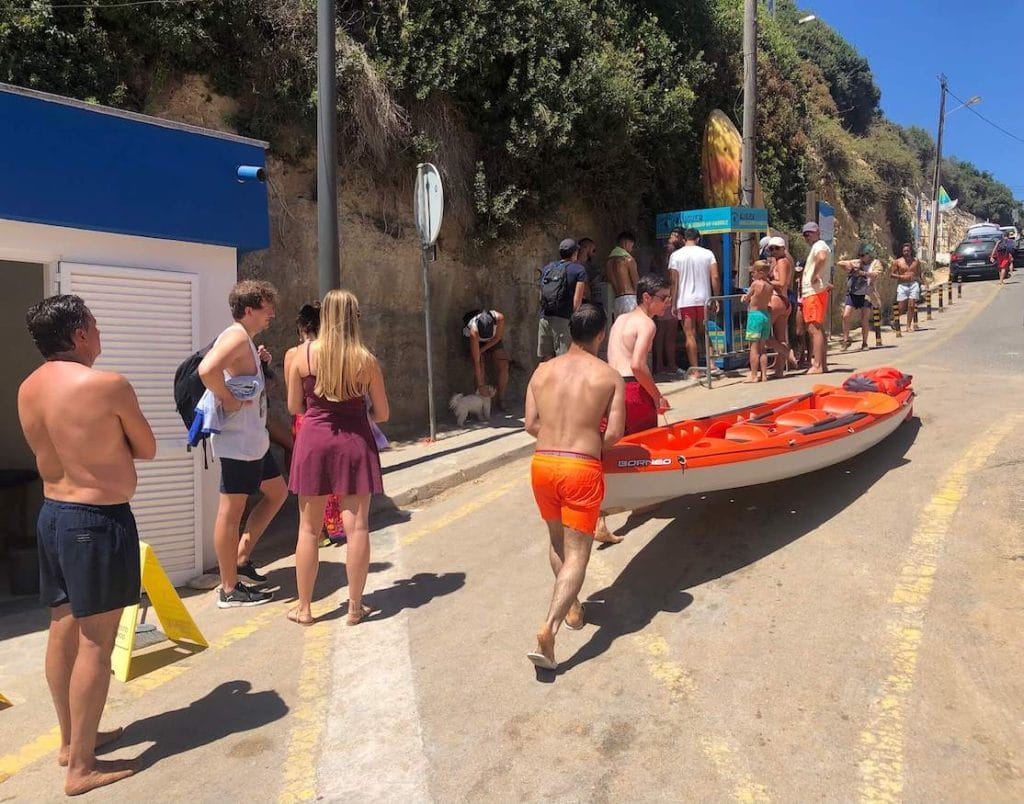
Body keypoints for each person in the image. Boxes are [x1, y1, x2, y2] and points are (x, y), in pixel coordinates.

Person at [18, 295, 156, 796]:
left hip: (53, 516)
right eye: (95, 325)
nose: (99, 333)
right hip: (96, 521)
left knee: (62, 626)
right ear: (78, 334)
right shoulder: (106, 385)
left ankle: (70, 741)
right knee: (97, 642)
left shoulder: (27, 388)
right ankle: (82, 767)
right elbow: (147, 446)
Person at [524, 304, 625, 670]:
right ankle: (549, 627)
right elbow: (613, 434)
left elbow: (530, 423)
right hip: (580, 466)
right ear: (600, 335)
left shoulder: (541, 371)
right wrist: (587, 444)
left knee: (556, 541)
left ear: (569, 334)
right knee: (579, 552)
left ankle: (573, 607)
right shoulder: (610, 376)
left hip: (543, 463)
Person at [287, 289, 390, 626]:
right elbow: (384, 413)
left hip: (314, 440)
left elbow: (294, 407)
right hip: (354, 442)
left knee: (308, 529)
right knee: (357, 526)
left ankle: (304, 608)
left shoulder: (301, 355)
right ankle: (355, 606)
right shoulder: (366, 359)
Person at [199, 280, 288, 608]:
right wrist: (228, 399)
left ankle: (240, 559)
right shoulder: (236, 336)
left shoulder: (245, 341)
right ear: (248, 309)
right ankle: (228, 588)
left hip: (255, 443)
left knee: (278, 493)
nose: (272, 315)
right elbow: (207, 370)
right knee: (230, 511)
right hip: (239, 445)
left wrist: (258, 359)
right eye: (267, 309)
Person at [594, 274, 674, 543]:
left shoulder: (619, 320)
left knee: (606, 448)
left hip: (610, 386)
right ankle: (640, 501)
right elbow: (639, 364)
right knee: (642, 447)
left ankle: (598, 514)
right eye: (663, 298)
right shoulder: (647, 324)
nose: (666, 303)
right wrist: (657, 396)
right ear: (647, 298)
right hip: (632, 388)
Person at [284, 303, 345, 544]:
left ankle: (316, 530)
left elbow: (293, 397)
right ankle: (334, 524)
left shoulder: (293, 355)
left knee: (311, 478)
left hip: (304, 420)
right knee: (332, 473)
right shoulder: (336, 352)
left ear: (302, 327)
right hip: (330, 418)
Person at [668, 227, 721, 379]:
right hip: (704, 299)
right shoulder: (708, 254)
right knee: (704, 332)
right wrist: (715, 297)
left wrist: (673, 300)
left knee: (689, 335)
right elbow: (715, 277)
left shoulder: (676, 256)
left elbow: (673, 280)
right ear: (698, 239)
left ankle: (695, 371)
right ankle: (712, 365)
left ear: (684, 238)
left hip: (685, 301)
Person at [538, 239, 589, 361]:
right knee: (564, 358)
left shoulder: (547, 268)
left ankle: (547, 380)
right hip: (564, 319)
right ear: (575, 253)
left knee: (547, 358)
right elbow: (577, 301)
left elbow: (541, 294)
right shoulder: (578, 270)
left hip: (544, 318)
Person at [800, 222, 833, 374]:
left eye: (809, 233)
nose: (807, 237)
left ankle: (818, 365)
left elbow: (822, 257)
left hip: (813, 292)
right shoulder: (820, 245)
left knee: (814, 328)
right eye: (805, 234)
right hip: (815, 292)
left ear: (817, 233)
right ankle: (823, 365)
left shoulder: (819, 245)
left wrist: (813, 275)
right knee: (818, 328)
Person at [462, 308, 510, 409]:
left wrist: (483, 349)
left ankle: (501, 398)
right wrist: (480, 385)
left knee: (504, 363)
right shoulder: (473, 331)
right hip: (475, 341)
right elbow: (476, 360)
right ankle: (482, 398)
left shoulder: (500, 318)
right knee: (481, 364)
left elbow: (497, 338)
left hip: (493, 340)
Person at [653, 229, 683, 375]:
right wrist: (673, 296)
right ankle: (671, 364)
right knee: (669, 333)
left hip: (659, 293)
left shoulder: (660, 252)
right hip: (669, 295)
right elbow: (672, 278)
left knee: (661, 332)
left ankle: (659, 364)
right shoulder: (674, 253)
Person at [765, 236, 796, 377]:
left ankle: (786, 353)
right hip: (782, 301)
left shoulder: (782, 262)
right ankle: (779, 370)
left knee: (760, 334)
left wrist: (766, 280)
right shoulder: (777, 262)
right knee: (780, 336)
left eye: (777, 248)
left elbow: (782, 283)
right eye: (771, 248)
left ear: (783, 248)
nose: (774, 251)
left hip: (777, 299)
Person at [837, 244, 877, 351]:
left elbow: (875, 275)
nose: (861, 257)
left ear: (869, 255)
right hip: (853, 293)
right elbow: (840, 263)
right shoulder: (857, 262)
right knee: (846, 315)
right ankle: (846, 340)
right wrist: (850, 265)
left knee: (864, 319)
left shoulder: (875, 264)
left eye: (863, 255)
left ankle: (864, 343)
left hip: (866, 294)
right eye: (859, 255)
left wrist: (861, 272)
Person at [742, 262, 776, 383]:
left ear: (760, 273)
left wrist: (744, 298)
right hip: (765, 315)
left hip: (754, 316)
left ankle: (754, 375)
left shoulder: (756, 284)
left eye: (754, 272)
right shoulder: (770, 285)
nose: (752, 274)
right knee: (763, 348)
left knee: (754, 348)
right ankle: (764, 375)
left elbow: (747, 298)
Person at [606, 231, 639, 317]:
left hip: (617, 300)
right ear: (626, 242)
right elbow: (636, 282)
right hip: (630, 299)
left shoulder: (608, 262)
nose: (632, 249)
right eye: (632, 245)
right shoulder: (628, 260)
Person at [890, 243, 922, 327]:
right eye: (904, 251)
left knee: (911, 305)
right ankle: (894, 320)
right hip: (902, 285)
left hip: (913, 284)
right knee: (901, 307)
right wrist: (901, 276)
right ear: (902, 252)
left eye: (908, 250)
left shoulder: (916, 261)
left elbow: (919, 273)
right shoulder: (898, 262)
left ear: (911, 251)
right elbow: (891, 275)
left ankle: (908, 326)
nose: (906, 252)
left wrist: (922, 282)